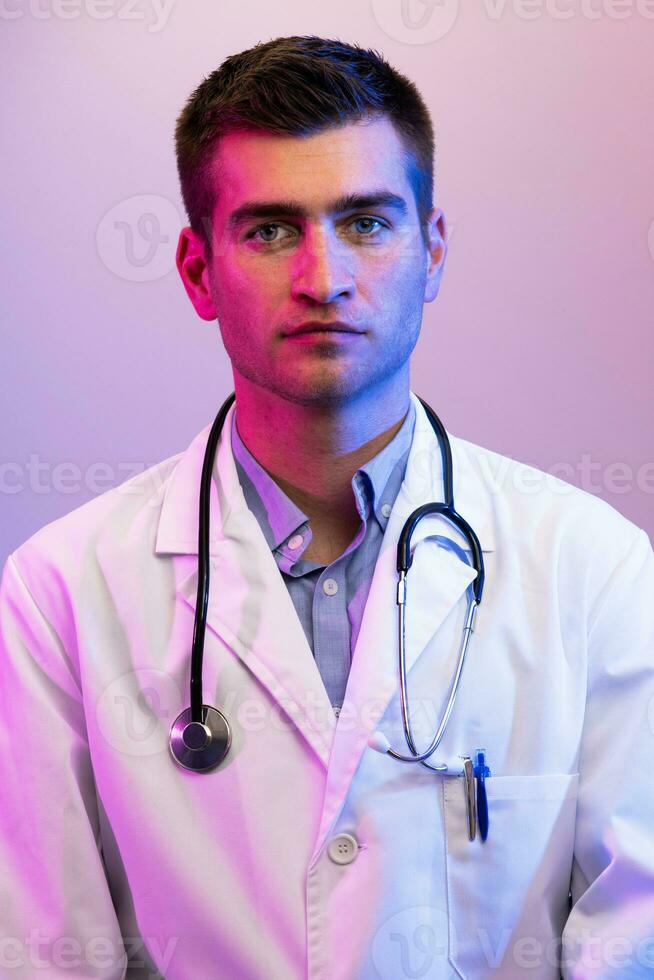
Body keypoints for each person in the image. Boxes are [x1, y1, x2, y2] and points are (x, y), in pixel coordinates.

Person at [1, 34, 653, 980]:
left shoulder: (595, 568)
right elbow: (41, 955)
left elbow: (636, 942)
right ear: (196, 271)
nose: (322, 278)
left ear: (431, 250)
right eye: (270, 229)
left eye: (366, 222)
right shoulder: (60, 593)